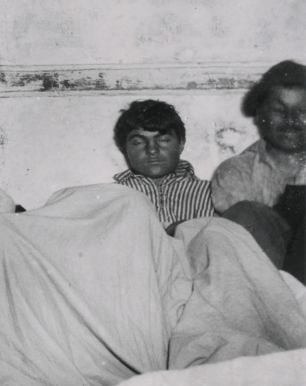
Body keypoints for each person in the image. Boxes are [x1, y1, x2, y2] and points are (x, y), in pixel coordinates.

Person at [211, 60, 306, 281]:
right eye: (278, 110)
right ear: (260, 114)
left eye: (303, 111)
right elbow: (251, 237)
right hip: (266, 279)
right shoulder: (236, 171)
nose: (291, 121)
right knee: (246, 213)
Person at [111, 99, 213, 232]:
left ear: (181, 144)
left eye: (163, 140)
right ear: (125, 149)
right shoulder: (114, 196)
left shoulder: (211, 192)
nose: (152, 150)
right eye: (138, 142)